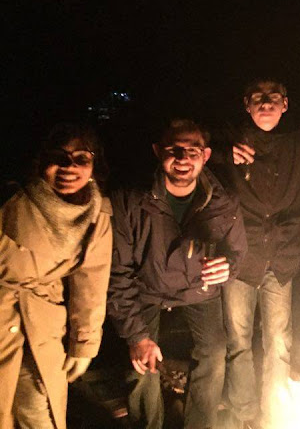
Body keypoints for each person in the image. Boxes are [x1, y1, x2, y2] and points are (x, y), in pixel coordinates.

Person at [108, 118, 247, 429]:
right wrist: (137, 336)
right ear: (158, 151)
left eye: (193, 151)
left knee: (214, 352)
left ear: (205, 156)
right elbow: (118, 272)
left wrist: (229, 266)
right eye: (174, 150)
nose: (183, 158)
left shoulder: (223, 201)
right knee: (141, 361)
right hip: (147, 287)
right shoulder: (132, 201)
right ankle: (147, 423)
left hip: (198, 288)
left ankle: (200, 424)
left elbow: (237, 251)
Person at [214, 78, 300, 429]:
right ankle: (243, 413)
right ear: (246, 105)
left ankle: (274, 414)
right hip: (240, 258)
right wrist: (224, 151)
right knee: (238, 341)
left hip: (282, 257)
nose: (266, 103)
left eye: (273, 97)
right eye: (258, 98)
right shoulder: (232, 141)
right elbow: (194, 143)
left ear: (285, 104)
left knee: (280, 342)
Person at [0, 123, 112, 428]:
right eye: (58, 157)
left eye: (81, 158)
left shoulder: (97, 214)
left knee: (39, 412)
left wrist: (84, 344)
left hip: (43, 326)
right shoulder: (12, 200)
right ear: (40, 161)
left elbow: (92, 282)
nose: (69, 167)